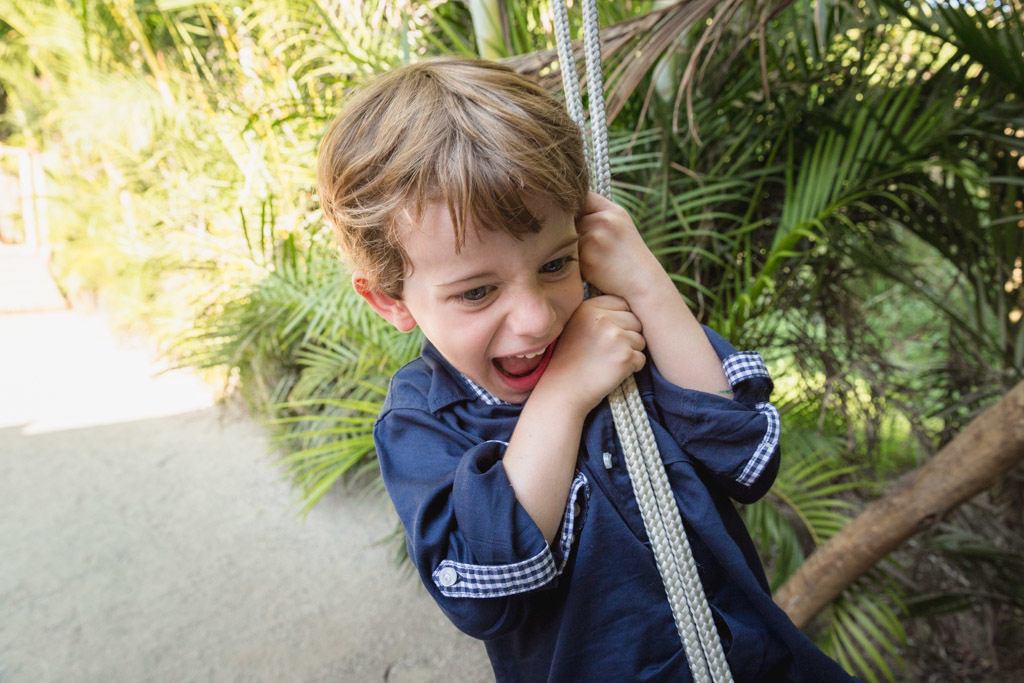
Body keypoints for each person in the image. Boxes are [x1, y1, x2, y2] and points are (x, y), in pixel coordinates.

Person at [316, 57, 856, 682]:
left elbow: (747, 456)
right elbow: (485, 591)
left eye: (555, 265)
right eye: (476, 293)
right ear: (388, 297)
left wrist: (646, 283)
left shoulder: (616, 332)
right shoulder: (421, 420)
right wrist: (564, 394)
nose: (537, 321)